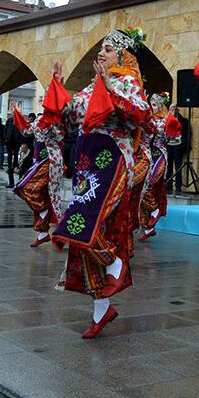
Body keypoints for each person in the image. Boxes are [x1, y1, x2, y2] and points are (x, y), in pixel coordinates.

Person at [50, 28, 150, 339]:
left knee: (91, 223)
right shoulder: (90, 87)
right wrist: (59, 86)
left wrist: (109, 86)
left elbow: (142, 116)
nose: (101, 53)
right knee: (80, 227)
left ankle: (115, 260)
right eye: (101, 48)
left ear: (122, 55)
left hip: (112, 159)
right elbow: (69, 121)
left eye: (107, 49)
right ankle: (101, 307)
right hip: (87, 162)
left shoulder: (128, 83)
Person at [11, 70, 70, 248]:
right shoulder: (40, 120)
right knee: (39, 192)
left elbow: (57, 132)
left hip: (51, 159)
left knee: (32, 189)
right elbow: (27, 132)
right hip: (39, 159)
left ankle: (57, 227)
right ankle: (44, 231)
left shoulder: (58, 120)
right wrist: (17, 113)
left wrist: (58, 89)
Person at [138, 92, 180, 241]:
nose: (153, 107)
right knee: (140, 189)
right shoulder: (148, 119)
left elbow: (176, 140)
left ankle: (155, 209)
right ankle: (148, 227)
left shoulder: (167, 120)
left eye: (155, 104)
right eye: (151, 104)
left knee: (149, 185)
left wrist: (171, 121)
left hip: (160, 155)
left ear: (161, 105)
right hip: (147, 155)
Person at [166, 104, 189, 192]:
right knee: (169, 165)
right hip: (169, 144)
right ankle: (168, 184)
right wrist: (170, 116)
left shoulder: (182, 120)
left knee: (178, 165)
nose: (173, 110)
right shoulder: (167, 119)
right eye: (172, 109)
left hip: (178, 144)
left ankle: (178, 185)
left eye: (175, 109)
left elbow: (183, 129)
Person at [4, 113, 21, 188]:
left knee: (16, 156)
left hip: (17, 141)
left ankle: (15, 164)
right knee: (10, 157)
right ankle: (10, 165)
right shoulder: (9, 120)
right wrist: (5, 138)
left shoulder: (20, 121)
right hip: (10, 141)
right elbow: (6, 129)